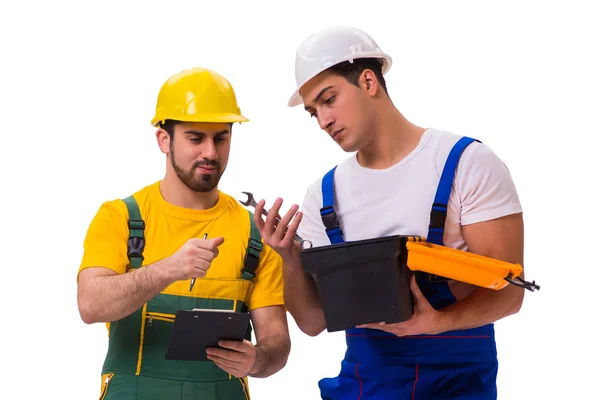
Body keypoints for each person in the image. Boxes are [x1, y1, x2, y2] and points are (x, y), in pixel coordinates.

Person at [253, 26, 527, 399]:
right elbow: (314, 321)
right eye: (313, 112)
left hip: (457, 385)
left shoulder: (467, 164)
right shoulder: (323, 195)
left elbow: (511, 294)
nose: (323, 121)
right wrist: (287, 257)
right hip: (365, 386)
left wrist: (439, 322)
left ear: (368, 81)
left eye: (329, 99)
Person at [77, 67, 291, 400]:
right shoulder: (121, 217)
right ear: (164, 139)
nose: (211, 152)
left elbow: (277, 342)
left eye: (221, 137)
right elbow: (90, 305)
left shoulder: (254, 233)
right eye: (195, 138)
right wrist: (169, 269)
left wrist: (257, 359)